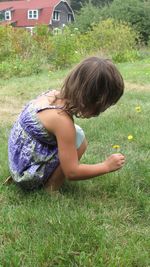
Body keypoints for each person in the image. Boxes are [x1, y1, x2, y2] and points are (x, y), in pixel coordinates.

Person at [8, 56, 125, 192]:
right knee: (79, 139)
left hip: (17, 164)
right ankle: (51, 190)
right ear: (92, 100)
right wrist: (106, 166)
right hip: (27, 175)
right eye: (103, 107)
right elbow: (72, 172)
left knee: (76, 133)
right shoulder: (62, 121)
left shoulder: (51, 95)